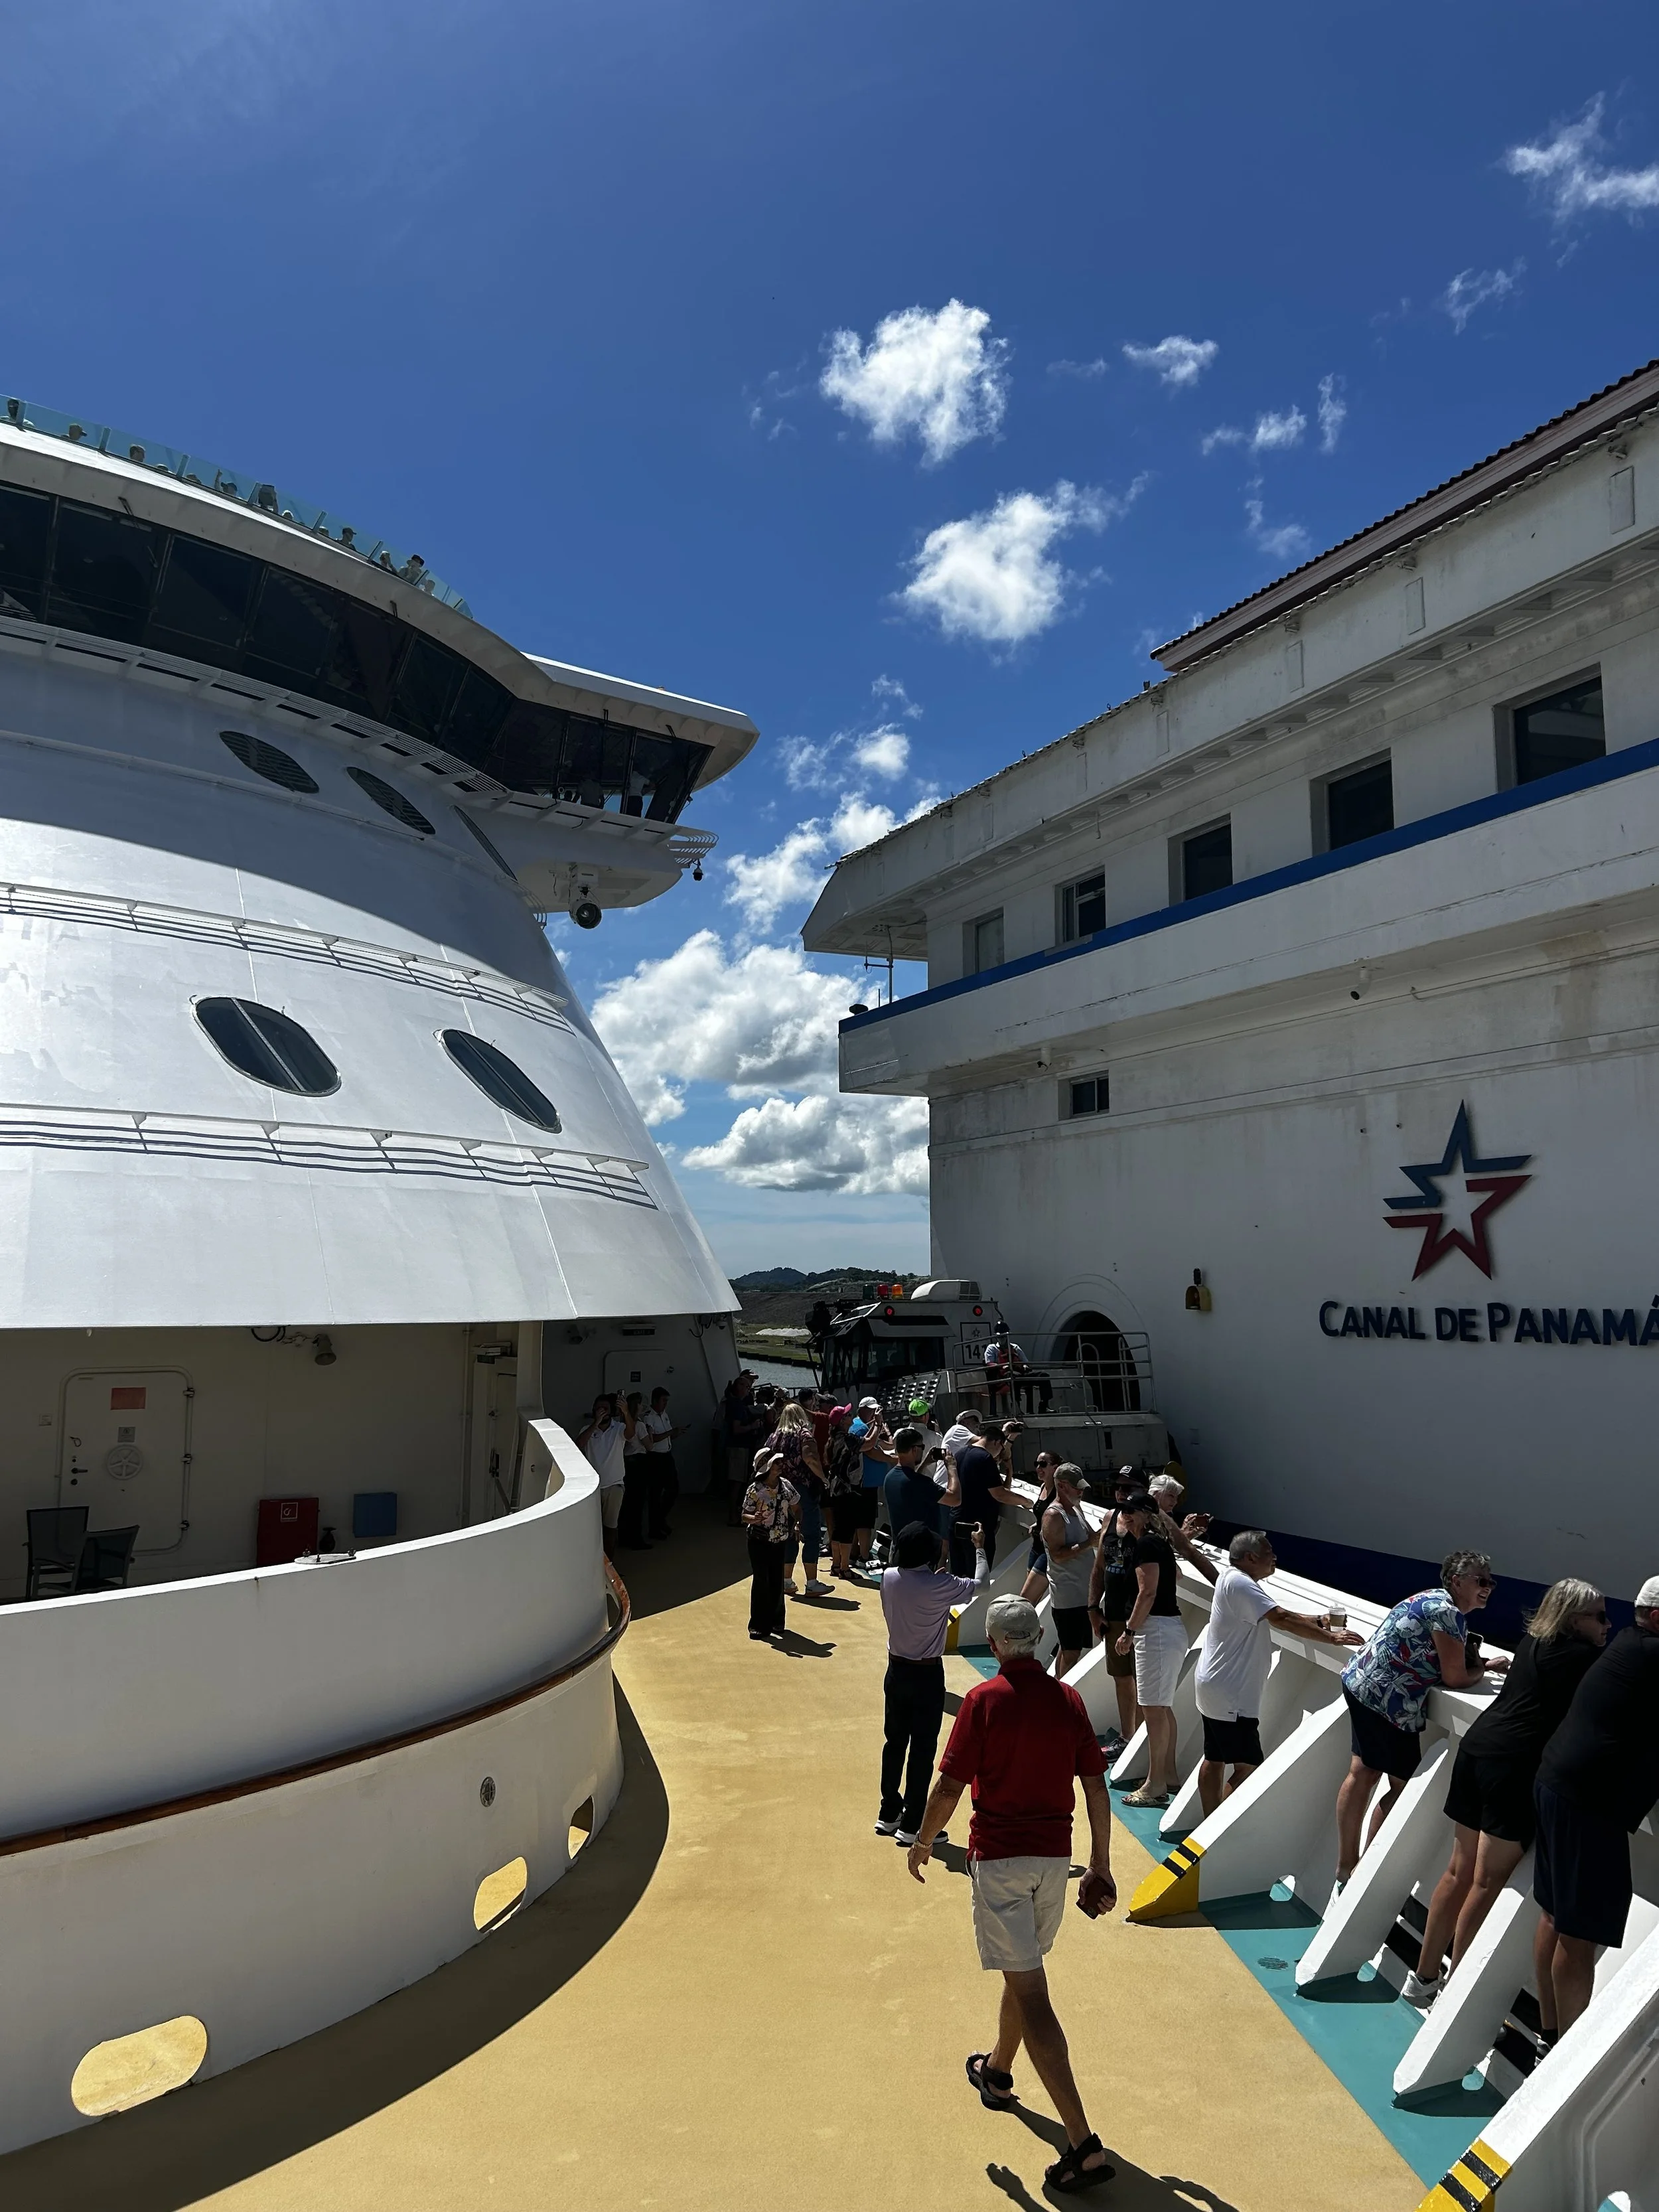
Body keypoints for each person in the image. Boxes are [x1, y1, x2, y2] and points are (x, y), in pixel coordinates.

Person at [907, 1595, 1116, 2195]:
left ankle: (1082, 2142)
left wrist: (923, 1841)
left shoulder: (984, 1701)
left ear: (996, 1644)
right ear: (1039, 1637)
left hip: (999, 1861)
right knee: (1021, 1969)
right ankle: (998, 2073)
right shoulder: (1069, 1699)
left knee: (1033, 1991)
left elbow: (950, 1783)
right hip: (1054, 1863)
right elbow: (1095, 1786)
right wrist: (1099, 1863)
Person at [1403, 1577, 1608, 2009]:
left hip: (1477, 1750)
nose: (1608, 1625)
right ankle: (1454, 1991)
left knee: (1458, 1872)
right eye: (1601, 1616)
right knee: (1485, 1881)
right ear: (1576, 1619)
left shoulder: (1534, 1643)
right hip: (1512, 1768)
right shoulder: (1584, 1658)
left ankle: (1422, 1977)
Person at [1530, 1572, 1659, 2037]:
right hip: (1587, 1803)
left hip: (1556, 1783)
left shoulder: (1629, 1642)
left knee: (1554, 1914)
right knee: (1578, 1932)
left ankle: (1549, 2032)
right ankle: (1565, 2050)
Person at [1334, 1550, 1508, 1884]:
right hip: (1389, 1700)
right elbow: (1456, 1678)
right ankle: (1361, 1873)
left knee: (1362, 1772)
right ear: (1458, 1582)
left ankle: (1346, 1865)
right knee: (1401, 1787)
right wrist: (1484, 1667)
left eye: (1491, 1582)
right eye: (1481, 1581)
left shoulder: (1429, 1598)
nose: (1488, 1587)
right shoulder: (1448, 1613)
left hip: (1360, 1682)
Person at [1194, 1532, 1362, 1817]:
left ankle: (1207, 1820)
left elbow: (1275, 1613)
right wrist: (1331, 1638)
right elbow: (1281, 1619)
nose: (1275, 1557)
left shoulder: (1231, 1578)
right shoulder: (1242, 1583)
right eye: (1269, 1552)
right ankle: (1213, 1832)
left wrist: (1318, 1620)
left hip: (1214, 1687)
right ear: (1250, 1558)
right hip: (1231, 1696)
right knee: (1247, 1768)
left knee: (1215, 1757)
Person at [877, 1518, 990, 1844]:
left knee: (895, 1742)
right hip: (927, 1674)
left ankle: (889, 1812)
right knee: (923, 1749)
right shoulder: (942, 1586)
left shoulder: (889, 1577)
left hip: (896, 1670)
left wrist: (934, 1578)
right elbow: (981, 1584)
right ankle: (913, 1824)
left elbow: (916, 1584)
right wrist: (979, 1549)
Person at [1114, 1491, 1188, 1808]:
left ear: (1147, 1514)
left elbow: (1148, 1593)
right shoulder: (1157, 1542)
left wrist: (1129, 1632)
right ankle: (1168, 1775)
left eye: (1132, 1511)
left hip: (1154, 1632)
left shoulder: (1146, 1545)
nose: (1126, 1515)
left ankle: (1155, 1785)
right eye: (1123, 1510)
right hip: (1165, 1631)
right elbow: (1176, 1577)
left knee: (1154, 1711)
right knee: (1162, 1709)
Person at [1086, 1472, 1143, 1753]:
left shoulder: (1147, 1523)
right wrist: (1093, 1608)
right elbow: (1098, 1568)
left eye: (1128, 1488)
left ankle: (1142, 1744)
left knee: (1144, 1681)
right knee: (1122, 1678)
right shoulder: (1109, 1519)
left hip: (1142, 1617)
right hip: (1113, 1614)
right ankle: (1127, 1737)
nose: (1121, 1493)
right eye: (1118, 1488)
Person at [766, 1398, 830, 1596]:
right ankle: (811, 1583)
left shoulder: (774, 1437)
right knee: (811, 1534)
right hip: (802, 1489)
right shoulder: (804, 1435)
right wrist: (823, 1478)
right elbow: (810, 1458)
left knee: (788, 1534)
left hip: (779, 1489)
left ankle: (786, 1581)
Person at [1042, 1465, 1096, 1678]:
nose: (1081, 1492)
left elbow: (1092, 1537)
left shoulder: (1076, 1508)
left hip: (1084, 1594)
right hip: (1068, 1597)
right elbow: (1057, 1555)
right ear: (1062, 1487)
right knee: (1071, 1652)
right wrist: (1087, 1544)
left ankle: (1057, 1689)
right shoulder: (1054, 1516)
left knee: (1069, 1649)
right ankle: (1062, 1696)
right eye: (1077, 1489)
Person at [948, 1412, 1019, 1575]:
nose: (999, 1453)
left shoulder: (960, 1454)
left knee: (958, 1575)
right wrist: (1027, 1502)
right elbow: (1000, 1494)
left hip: (956, 1523)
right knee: (978, 1575)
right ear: (997, 1442)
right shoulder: (985, 1459)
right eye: (1001, 1448)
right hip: (977, 1528)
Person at [741, 1449, 800, 1640]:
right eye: (776, 1463)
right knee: (761, 1580)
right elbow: (744, 1516)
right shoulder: (755, 1490)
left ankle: (777, 1621)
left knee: (776, 1580)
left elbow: (797, 1507)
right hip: (759, 1540)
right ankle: (758, 1624)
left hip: (779, 1540)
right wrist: (754, 1519)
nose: (780, 1465)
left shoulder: (786, 1486)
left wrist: (796, 1524)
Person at [575, 1392, 633, 1556]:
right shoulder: (587, 1429)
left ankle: (610, 1566)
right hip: (593, 1487)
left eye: (606, 1408)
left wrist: (627, 1413)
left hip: (614, 1485)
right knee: (593, 1528)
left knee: (610, 1527)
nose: (603, 1411)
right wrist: (596, 1424)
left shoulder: (619, 1428)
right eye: (599, 1408)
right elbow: (579, 1444)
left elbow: (631, 1434)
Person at [881, 1426, 958, 1544]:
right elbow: (955, 1499)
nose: (923, 1451)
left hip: (900, 1546)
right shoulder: (921, 1483)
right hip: (921, 1551)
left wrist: (925, 1463)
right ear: (914, 1450)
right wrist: (952, 1468)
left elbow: (911, 1482)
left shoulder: (890, 1478)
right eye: (922, 1447)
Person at [823, 1406, 865, 1579]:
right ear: (842, 1422)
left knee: (838, 1528)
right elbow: (867, 1444)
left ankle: (836, 1564)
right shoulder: (847, 1439)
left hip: (835, 1488)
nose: (851, 1416)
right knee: (847, 1530)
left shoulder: (833, 1439)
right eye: (847, 1415)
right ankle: (845, 1569)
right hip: (847, 1489)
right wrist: (878, 1426)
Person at [640, 1385, 685, 1540]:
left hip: (667, 1456)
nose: (665, 1404)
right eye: (663, 1401)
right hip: (655, 1458)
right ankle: (655, 1528)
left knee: (673, 1489)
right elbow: (652, 1439)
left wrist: (675, 1434)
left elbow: (666, 1436)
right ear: (655, 1400)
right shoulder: (648, 1417)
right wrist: (670, 1433)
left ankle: (660, 1520)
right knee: (655, 1494)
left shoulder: (664, 1415)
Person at [723, 1372, 768, 1524]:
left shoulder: (737, 1404)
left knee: (738, 1481)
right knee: (736, 1482)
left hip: (740, 1447)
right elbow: (736, 1429)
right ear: (737, 1388)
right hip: (738, 1448)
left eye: (749, 1387)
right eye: (744, 1386)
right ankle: (732, 1516)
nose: (747, 1389)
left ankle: (734, 1513)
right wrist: (753, 1426)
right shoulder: (736, 1405)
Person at [1019, 1451, 1062, 1604]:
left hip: (1048, 1552)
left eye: (1043, 1464)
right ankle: (1033, 1629)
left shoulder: (1060, 1492)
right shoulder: (1043, 1487)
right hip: (1036, 1547)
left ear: (1055, 1468)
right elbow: (1043, 1513)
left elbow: (1066, 1517)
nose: (1038, 1468)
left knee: (1025, 1598)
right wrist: (1037, 1524)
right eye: (1036, 1464)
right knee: (1032, 1600)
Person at [617, 1390, 654, 1550]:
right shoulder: (639, 1425)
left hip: (626, 1464)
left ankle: (624, 1537)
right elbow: (649, 1446)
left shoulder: (622, 1423)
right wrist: (650, 1433)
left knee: (627, 1503)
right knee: (638, 1503)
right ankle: (637, 1538)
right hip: (639, 1463)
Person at [983, 1333, 1052, 1414]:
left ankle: (1044, 1406)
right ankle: (1017, 1408)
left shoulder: (1015, 1347)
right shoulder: (992, 1348)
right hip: (1004, 1376)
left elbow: (1025, 1361)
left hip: (1020, 1373)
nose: (1002, 1339)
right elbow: (989, 1363)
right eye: (1000, 1337)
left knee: (1043, 1376)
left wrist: (1025, 1366)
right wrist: (1002, 1366)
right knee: (1014, 1377)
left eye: (1004, 1336)